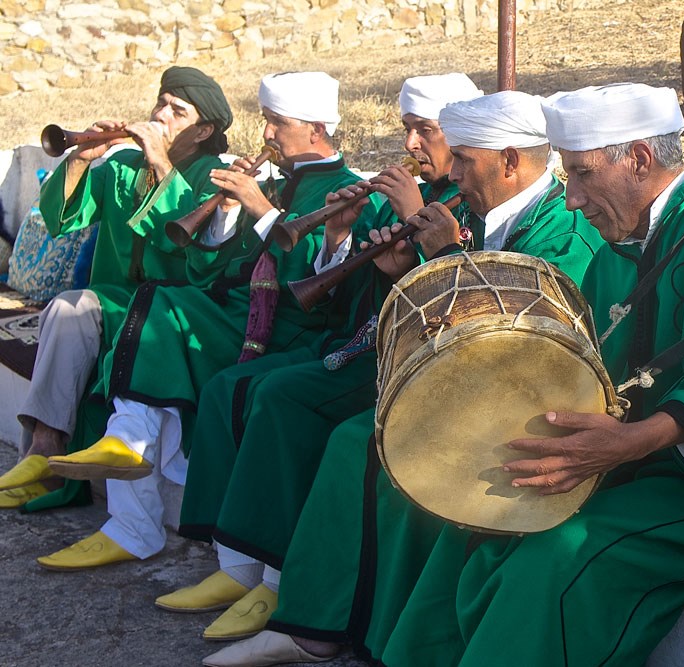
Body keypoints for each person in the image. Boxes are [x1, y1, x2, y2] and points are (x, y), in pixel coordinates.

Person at [367, 83, 684, 667]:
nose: (570, 200)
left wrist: (629, 442)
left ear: (640, 159)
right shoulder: (608, 260)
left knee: (562, 560)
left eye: (581, 174)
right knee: (476, 526)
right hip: (631, 465)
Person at [201, 90, 607, 666]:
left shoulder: (562, 232)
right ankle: (311, 617)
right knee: (331, 424)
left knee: (361, 441)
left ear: (511, 161)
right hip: (461, 384)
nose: (456, 174)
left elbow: (519, 344)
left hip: (520, 403)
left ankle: (330, 627)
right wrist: (404, 268)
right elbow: (445, 315)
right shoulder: (478, 212)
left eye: (465, 160)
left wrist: (443, 255)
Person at [159, 73, 484, 644]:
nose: (410, 145)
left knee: (286, 400)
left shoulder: (462, 204)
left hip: (408, 365)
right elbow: (369, 293)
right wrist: (340, 238)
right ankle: (242, 566)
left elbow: (470, 305)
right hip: (364, 342)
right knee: (238, 388)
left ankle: (278, 582)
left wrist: (409, 251)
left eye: (424, 132)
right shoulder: (421, 197)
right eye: (408, 129)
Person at [33, 72, 379, 572]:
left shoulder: (351, 191)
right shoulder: (277, 179)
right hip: (232, 310)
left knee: (161, 319)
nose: (265, 135)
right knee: (154, 317)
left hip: (291, 331)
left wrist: (259, 209)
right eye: (266, 121)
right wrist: (226, 214)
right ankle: (129, 482)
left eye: (276, 123)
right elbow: (212, 266)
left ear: (317, 128)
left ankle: (169, 529)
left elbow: (320, 290)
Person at [0, 66, 232, 509]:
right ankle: (43, 450)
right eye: (161, 102)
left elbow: (199, 255)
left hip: (171, 312)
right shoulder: (123, 165)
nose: (161, 113)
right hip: (110, 300)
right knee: (70, 308)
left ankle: (46, 452)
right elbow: (62, 218)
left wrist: (162, 163)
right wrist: (84, 158)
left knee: (72, 308)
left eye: (177, 110)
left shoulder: (212, 178)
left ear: (203, 130)